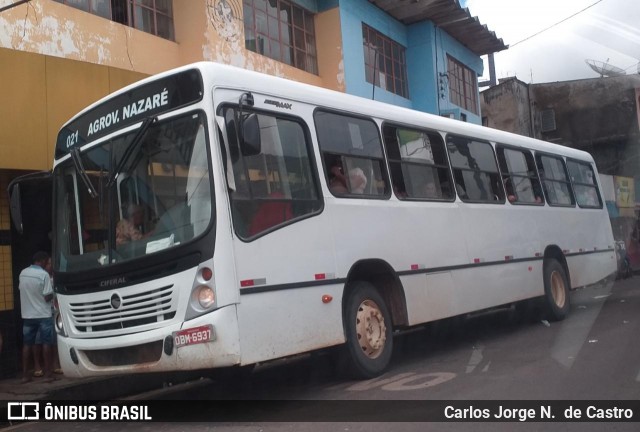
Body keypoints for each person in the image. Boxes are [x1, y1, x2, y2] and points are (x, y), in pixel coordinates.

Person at [19, 251, 55, 383]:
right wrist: (53, 292)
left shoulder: (23, 273)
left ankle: (25, 375)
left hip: (27, 315)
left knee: (27, 344)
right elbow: (47, 296)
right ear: (42, 261)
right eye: (46, 261)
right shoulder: (44, 275)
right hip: (43, 315)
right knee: (47, 343)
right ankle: (48, 374)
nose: (47, 263)